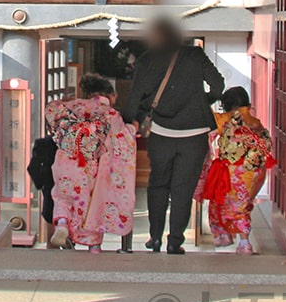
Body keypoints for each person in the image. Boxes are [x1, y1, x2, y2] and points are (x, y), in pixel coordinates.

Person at [123, 17, 224, 254]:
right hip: (195, 134)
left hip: (161, 132)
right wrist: (202, 101)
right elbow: (218, 85)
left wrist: (128, 122)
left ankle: (154, 237)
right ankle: (175, 241)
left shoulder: (147, 60)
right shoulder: (194, 55)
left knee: (158, 184)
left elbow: (135, 96)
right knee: (183, 188)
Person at [46, 74, 137, 253]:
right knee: (92, 205)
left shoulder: (72, 106)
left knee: (63, 196)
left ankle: (62, 223)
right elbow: (124, 140)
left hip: (66, 161)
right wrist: (132, 128)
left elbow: (52, 118)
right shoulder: (110, 114)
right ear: (110, 95)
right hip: (92, 167)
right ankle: (94, 248)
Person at [196, 86, 276, 255]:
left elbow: (208, 133)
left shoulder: (225, 119)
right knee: (242, 206)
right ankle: (244, 242)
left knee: (219, 203)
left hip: (231, 172)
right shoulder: (255, 122)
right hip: (254, 171)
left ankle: (224, 235)